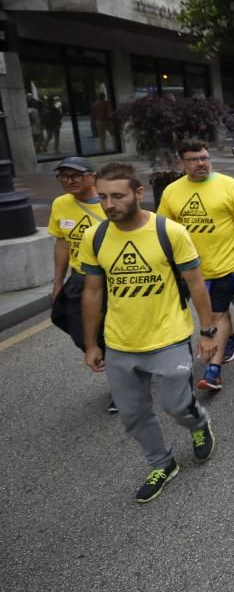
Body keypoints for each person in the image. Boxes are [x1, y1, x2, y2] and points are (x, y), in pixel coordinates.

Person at [79, 162, 217, 503]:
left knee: (176, 405)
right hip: (119, 344)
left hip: (168, 338)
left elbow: (196, 284)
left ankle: (198, 424)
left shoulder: (169, 233)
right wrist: (90, 344)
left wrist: (208, 330)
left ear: (138, 193)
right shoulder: (95, 237)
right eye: (103, 197)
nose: (109, 204)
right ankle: (162, 462)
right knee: (133, 414)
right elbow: (93, 292)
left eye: (118, 196)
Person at [157, 140, 234, 391]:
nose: (201, 163)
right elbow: (162, 229)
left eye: (204, 157)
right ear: (182, 163)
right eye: (194, 159)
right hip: (190, 271)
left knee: (215, 315)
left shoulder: (228, 186)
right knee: (217, 313)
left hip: (224, 265)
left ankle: (213, 371)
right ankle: (232, 340)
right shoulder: (172, 191)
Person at [48, 157, 113, 412]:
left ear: (92, 177)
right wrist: (57, 283)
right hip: (79, 278)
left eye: (75, 176)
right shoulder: (61, 204)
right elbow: (62, 243)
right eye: (63, 176)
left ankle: (123, 384)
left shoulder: (109, 204)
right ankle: (117, 363)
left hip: (108, 279)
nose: (68, 181)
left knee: (108, 333)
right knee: (70, 322)